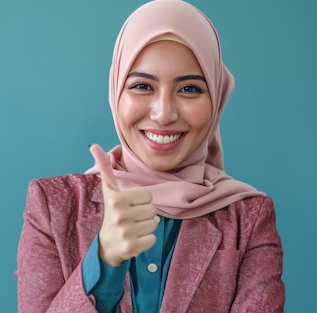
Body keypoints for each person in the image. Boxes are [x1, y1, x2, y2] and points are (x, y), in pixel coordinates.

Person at [15, 0, 285, 312]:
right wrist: (104, 261)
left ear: (217, 97)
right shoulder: (53, 207)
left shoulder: (249, 219)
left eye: (189, 89)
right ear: (116, 93)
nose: (164, 114)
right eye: (142, 86)